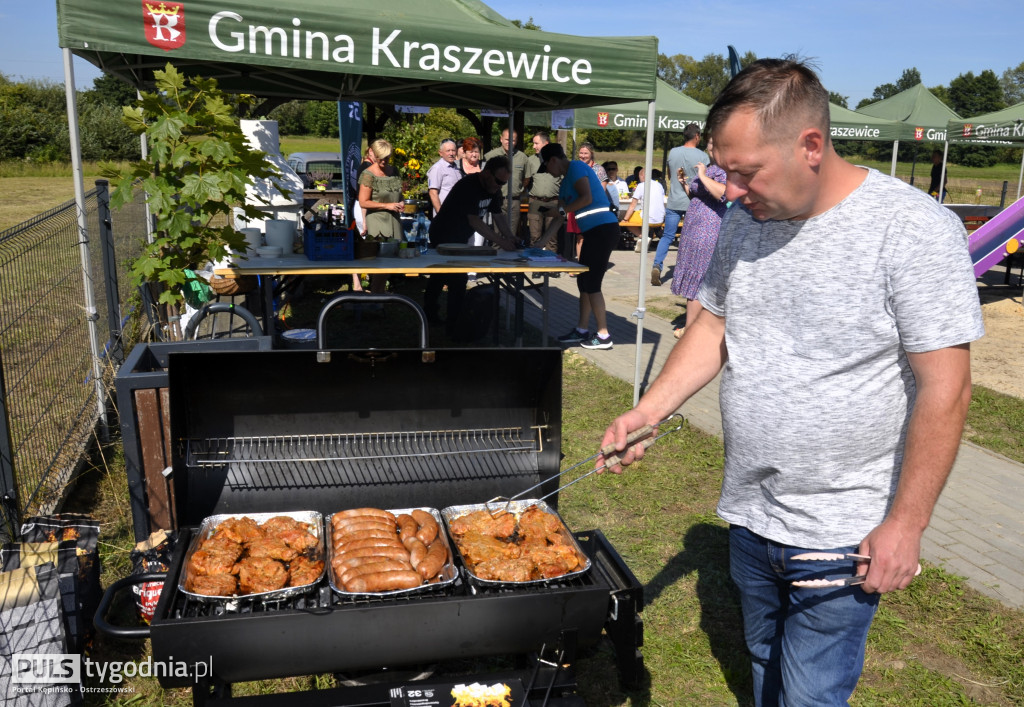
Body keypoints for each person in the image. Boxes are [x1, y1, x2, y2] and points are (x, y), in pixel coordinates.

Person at [597, 58, 983, 705]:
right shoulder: (745, 218)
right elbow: (712, 326)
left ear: (810, 146)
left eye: (745, 172)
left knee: (808, 693)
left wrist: (907, 525)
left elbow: (948, 387)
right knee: (763, 662)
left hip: (841, 533)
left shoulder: (912, 230)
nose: (732, 189)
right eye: (724, 172)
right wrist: (650, 411)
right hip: (752, 512)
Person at [539, 142, 620, 350]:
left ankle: (603, 335)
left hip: (603, 230)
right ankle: (582, 329)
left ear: (554, 160)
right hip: (593, 233)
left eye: (547, 166)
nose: (548, 171)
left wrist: (563, 212)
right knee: (583, 282)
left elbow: (586, 198)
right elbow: (559, 218)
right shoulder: (565, 182)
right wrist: (538, 245)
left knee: (592, 284)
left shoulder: (576, 166)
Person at [425, 156, 518, 334]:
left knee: (454, 280)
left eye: (503, 183)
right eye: (498, 181)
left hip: (460, 238)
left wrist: (511, 237)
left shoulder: (494, 190)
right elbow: (474, 221)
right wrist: (501, 242)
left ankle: (451, 320)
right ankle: (440, 318)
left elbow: (498, 216)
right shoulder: (469, 185)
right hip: (443, 233)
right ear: (487, 173)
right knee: (448, 278)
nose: (499, 186)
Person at [670, 135, 727, 337]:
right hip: (694, 228)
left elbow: (723, 194)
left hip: (708, 229)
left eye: (716, 144)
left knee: (698, 278)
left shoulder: (724, 170)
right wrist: (685, 184)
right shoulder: (710, 167)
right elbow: (697, 197)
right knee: (695, 276)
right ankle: (693, 326)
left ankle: (691, 331)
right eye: (710, 143)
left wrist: (702, 176)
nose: (711, 147)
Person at [654, 123, 708, 286]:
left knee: (667, 236)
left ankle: (657, 264)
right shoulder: (702, 156)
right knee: (692, 238)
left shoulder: (673, 152)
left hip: (674, 201)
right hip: (694, 202)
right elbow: (706, 180)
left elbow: (670, 175)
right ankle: (690, 271)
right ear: (697, 136)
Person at [357, 139, 403, 293]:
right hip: (377, 220)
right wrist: (386, 206)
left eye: (387, 157)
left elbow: (399, 195)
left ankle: (379, 296)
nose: (384, 161)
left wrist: (401, 203)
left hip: (394, 219)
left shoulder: (394, 172)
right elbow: (363, 202)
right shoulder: (368, 175)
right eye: (381, 157)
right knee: (381, 262)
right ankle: (375, 297)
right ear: (374, 156)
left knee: (392, 261)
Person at [484, 128, 528, 236]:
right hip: (497, 200)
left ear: (516, 141)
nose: (509, 142)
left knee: (511, 235)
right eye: (507, 139)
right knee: (497, 235)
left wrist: (519, 190)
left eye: (512, 140)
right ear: (501, 139)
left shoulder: (522, 157)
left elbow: (527, 178)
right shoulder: (490, 156)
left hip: (514, 201)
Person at [524, 131, 562, 251]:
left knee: (552, 237)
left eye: (536, 143)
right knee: (535, 236)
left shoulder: (557, 161)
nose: (534, 146)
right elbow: (526, 180)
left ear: (546, 143)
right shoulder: (531, 160)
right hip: (535, 202)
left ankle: (550, 268)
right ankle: (535, 267)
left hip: (553, 202)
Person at [621, 168, 666, 243]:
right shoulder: (659, 185)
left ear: (642, 175)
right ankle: (647, 236)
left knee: (628, 223)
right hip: (660, 218)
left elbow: (633, 205)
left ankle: (643, 237)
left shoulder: (641, 185)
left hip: (648, 219)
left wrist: (625, 219)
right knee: (642, 213)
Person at [426, 138, 462, 216]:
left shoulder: (457, 168)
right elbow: (433, 193)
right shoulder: (437, 168)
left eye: (453, 150)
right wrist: (441, 215)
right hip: (445, 215)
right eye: (448, 151)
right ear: (441, 153)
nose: (451, 153)